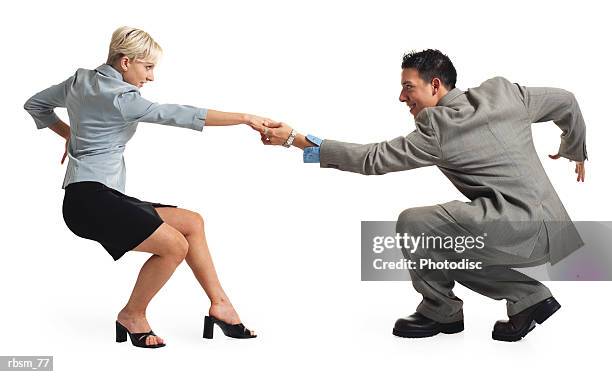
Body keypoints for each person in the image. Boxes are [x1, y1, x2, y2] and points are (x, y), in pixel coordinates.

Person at [259, 49, 587, 342]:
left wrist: (296, 139)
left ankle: (441, 309)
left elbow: (371, 158)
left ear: (434, 85)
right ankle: (528, 299)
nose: (402, 97)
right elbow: (566, 101)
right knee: (442, 244)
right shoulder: (504, 93)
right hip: (556, 229)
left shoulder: (437, 127)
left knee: (415, 225)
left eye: (408, 87)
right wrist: (574, 149)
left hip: (517, 230)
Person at [24, 26, 266, 348]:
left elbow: (35, 104)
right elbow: (178, 114)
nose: (150, 77)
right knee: (174, 246)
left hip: (89, 197)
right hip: (92, 201)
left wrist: (69, 134)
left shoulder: (79, 81)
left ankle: (221, 306)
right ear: (126, 62)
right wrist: (245, 118)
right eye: (147, 67)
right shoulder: (123, 98)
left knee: (191, 222)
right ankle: (133, 315)